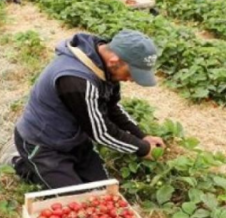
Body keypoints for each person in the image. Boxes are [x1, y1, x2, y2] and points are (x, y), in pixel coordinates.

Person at [12, 29, 165, 189]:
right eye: (131, 73)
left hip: (74, 141)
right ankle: (24, 164)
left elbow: (112, 108)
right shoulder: (75, 80)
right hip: (44, 144)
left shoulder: (104, 68)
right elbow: (101, 132)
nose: (131, 79)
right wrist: (142, 149)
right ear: (114, 60)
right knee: (76, 201)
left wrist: (142, 136)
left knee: (102, 191)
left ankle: (58, 172)